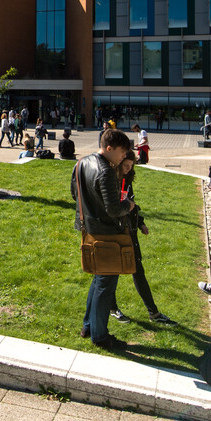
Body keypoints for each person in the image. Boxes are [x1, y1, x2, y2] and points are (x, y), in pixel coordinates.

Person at [71, 128, 134, 348]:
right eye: (121, 152)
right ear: (109, 148)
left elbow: (74, 193)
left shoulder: (81, 163)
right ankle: (99, 335)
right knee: (105, 284)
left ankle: (89, 326)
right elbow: (114, 210)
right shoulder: (106, 170)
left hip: (88, 229)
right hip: (105, 234)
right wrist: (129, 205)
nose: (123, 157)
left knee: (99, 281)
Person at [109, 151, 175, 326]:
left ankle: (153, 312)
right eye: (125, 166)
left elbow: (132, 203)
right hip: (115, 232)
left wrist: (140, 223)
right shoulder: (110, 180)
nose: (128, 169)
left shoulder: (127, 179)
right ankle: (112, 307)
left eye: (131, 166)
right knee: (111, 271)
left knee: (137, 269)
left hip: (129, 230)